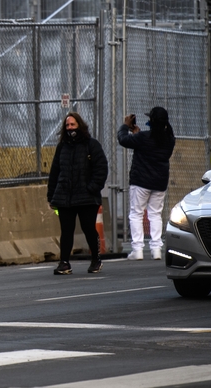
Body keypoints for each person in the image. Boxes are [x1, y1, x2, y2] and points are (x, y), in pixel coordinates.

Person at [47, 112, 108, 275]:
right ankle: (64, 262)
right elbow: (55, 172)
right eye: (67, 126)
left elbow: (101, 169)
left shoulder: (91, 145)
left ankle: (96, 259)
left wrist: (92, 188)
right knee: (66, 230)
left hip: (87, 198)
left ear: (79, 125)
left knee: (89, 228)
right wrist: (52, 196)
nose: (70, 128)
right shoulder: (62, 147)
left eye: (73, 125)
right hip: (64, 197)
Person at [117, 106, 176, 261]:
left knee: (136, 213)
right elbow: (152, 144)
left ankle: (137, 249)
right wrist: (137, 133)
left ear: (151, 121)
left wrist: (125, 125)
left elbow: (123, 139)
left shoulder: (143, 138)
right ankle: (156, 248)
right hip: (159, 182)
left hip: (141, 181)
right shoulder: (169, 139)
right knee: (155, 214)